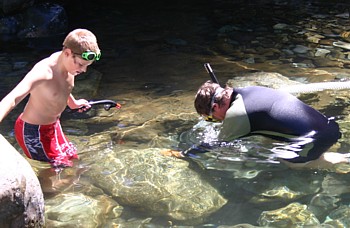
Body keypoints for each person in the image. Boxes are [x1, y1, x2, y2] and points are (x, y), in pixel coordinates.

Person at [164, 80, 349, 170]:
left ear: (215, 106)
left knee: (288, 161)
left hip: (318, 137)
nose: (216, 122)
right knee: (266, 138)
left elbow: (215, 143)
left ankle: (342, 159)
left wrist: (182, 154)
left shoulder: (238, 114)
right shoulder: (248, 90)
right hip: (326, 125)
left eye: (211, 118)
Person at [0, 28, 101, 168]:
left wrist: (73, 103)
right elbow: (13, 98)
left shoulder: (68, 64)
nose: (83, 70)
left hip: (53, 126)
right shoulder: (43, 72)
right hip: (33, 131)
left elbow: (63, 88)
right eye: (81, 64)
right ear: (67, 53)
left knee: (73, 160)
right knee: (59, 167)